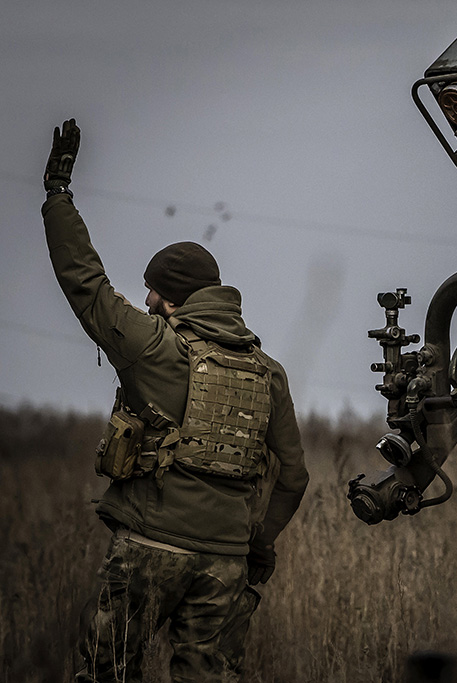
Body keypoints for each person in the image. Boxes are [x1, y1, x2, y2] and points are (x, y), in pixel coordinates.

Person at [42, 119, 309, 682]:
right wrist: (257, 543)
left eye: (153, 289)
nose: (145, 298)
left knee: (108, 671)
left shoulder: (154, 348)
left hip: (150, 545)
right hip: (227, 562)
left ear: (171, 298)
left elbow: (85, 282)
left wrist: (58, 196)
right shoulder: (269, 372)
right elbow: (294, 475)